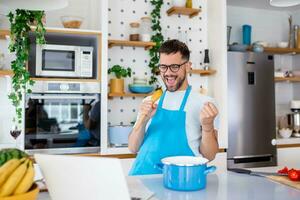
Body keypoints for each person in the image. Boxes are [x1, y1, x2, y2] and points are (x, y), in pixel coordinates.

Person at [128, 39, 219, 175]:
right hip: (144, 179)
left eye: (174, 66)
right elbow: (133, 148)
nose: (168, 73)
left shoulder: (205, 104)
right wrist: (143, 120)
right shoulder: (150, 101)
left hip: (182, 180)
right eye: (163, 67)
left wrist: (207, 127)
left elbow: (209, 156)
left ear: (188, 66)